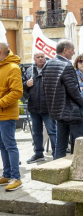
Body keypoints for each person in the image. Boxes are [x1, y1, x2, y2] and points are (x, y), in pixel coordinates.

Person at [42, 39, 83, 159]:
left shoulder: (47, 64)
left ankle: (57, 169)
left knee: (60, 145)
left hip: (57, 111)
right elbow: (73, 90)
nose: (74, 52)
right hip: (71, 111)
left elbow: (44, 88)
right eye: (72, 50)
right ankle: (82, 170)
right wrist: (82, 103)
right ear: (65, 50)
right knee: (82, 144)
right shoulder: (66, 65)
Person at [23, 51, 57, 162]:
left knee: (52, 131)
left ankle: (56, 154)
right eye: (38, 57)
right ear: (34, 58)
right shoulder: (29, 70)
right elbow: (22, 87)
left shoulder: (51, 69)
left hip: (48, 107)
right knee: (36, 132)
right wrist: (26, 85)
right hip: (33, 107)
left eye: (42, 57)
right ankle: (38, 154)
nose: (41, 59)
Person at [0, 41, 23, 191]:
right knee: (3, 145)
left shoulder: (13, 68)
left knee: (10, 145)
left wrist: (0, 103)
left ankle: (16, 177)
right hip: (2, 113)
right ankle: (7, 174)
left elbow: (17, 92)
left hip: (6, 113)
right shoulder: (3, 67)